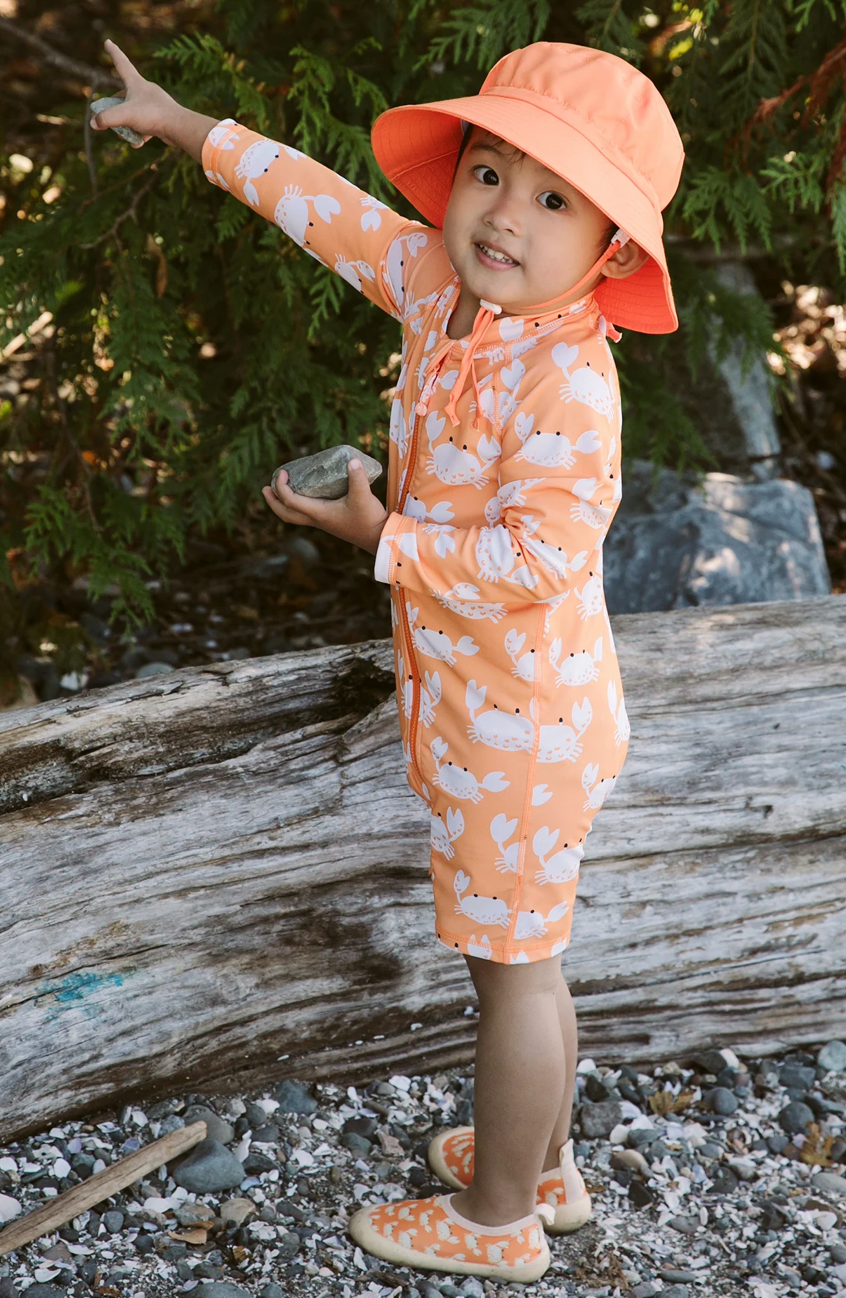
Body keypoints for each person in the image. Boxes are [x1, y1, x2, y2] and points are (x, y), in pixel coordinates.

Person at [92, 37, 684, 1284]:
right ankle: (547, 1164)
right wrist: (187, 124)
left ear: (614, 250)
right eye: (489, 172)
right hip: (488, 715)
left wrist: (384, 535)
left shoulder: (570, 381)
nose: (504, 215)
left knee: (513, 973)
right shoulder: (439, 288)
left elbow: (541, 557)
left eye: (553, 197)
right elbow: (326, 208)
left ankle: (498, 1217)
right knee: (523, 959)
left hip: (522, 727)